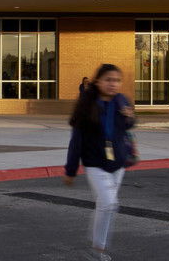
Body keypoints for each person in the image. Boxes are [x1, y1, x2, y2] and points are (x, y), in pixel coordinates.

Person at [63, 63, 137, 261]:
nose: (113, 84)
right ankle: (98, 251)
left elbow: (128, 126)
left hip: (118, 163)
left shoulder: (122, 100)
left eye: (117, 80)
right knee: (108, 204)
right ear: (98, 81)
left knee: (106, 206)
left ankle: (97, 250)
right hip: (95, 163)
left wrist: (130, 118)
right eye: (109, 80)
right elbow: (76, 140)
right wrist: (70, 170)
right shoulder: (87, 105)